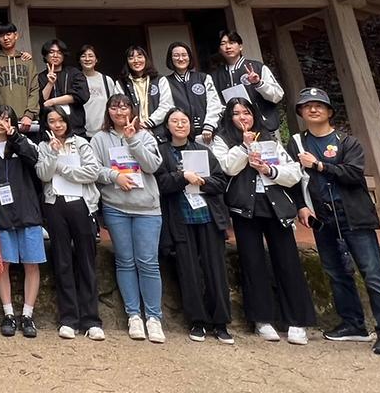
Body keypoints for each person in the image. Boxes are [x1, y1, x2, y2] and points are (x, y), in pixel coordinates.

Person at [288, 87, 380, 357]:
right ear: (300, 112)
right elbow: (293, 177)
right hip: (321, 216)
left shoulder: (346, 142)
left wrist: (319, 165)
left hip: (353, 214)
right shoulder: (297, 143)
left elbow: (353, 173)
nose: (313, 109)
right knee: (335, 271)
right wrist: (301, 206)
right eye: (307, 106)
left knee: (372, 272)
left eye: (318, 105)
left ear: (329, 111)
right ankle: (353, 324)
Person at [213, 97, 315, 344]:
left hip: (275, 205)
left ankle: (297, 320)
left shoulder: (269, 138)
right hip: (244, 207)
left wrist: (269, 170)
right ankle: (262, 319)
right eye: (236, 113)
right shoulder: (222, 139)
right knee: (252, 262)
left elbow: (293, 173)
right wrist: (244, 147)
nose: (242, 117)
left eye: (246, 112)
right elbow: (226, 167)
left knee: (287, 261)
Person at [90, 94, 166, 343]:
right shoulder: (100, 138)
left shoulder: (145, 135)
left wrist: (132, 140)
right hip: (116, 207)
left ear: (132, 110)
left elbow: (153, 166)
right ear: (108, 111)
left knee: (148, 262)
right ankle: (133, 315)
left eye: (124, 107)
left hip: (147, 207)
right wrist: (115, 176)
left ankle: (153, 317)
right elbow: (94, 169)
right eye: (114, 107)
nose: (120, 112)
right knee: (125, 261)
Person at [155, 108, 233, 344]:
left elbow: (220, 182)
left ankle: (221, 322)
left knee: (215, 270)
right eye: (175, 121)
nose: (180, 125)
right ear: (167, 126)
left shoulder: (203, 150)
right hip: (180, 218)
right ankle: (197, 321)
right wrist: (182, 177)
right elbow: (160, 184)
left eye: (184, 121)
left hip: (208, 216)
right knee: (188, 271)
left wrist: (202, 181)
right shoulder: (162, 152)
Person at [34, 108, 104, 340]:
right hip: (55, 205)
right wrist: (53, 155)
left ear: (67, 122)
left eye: (60, 120)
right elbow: (43, 175)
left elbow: (92, 172)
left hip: (82, 204)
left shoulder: (81, 143)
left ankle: (91, 320)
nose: (57, 125)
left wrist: (62, 169)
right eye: (52, 121)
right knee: (62, 261)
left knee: (86, 260)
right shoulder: (44, 146)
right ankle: (68, 319)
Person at [0, 105, 45, 337]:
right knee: (4, 264)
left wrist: (16, 137)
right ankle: (8, 312)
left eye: (8, 119)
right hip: (1, 212)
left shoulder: (22, 142)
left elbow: (35, 160)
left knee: (32, 263)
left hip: (27, 209)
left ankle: (28, 314)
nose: (3, 122)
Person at [210, 30, 284, 136]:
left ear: (240, 46)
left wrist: (259, 83)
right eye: (223, 44)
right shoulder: (215, 76)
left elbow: (277, 96)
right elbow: (215, 105)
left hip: (263, 129)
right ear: (219, 50)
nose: (228, 47)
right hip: (233, 134)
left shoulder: (257, 67)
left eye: (232, 42)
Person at [0, 22, 39, 133]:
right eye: (1, 35)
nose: (5, 38)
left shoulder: (27, 61)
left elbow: (34, 90)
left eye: (8, 34)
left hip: (25, 121)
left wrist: (29, 114)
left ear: (16, 35)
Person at [164, 42, 222, 144]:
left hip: (207, 133)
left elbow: (214, 103)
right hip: (180, 136)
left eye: (184, 55)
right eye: (176, 55)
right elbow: (166, 107)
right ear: (170, 59)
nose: (181, 59)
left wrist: (209, 125)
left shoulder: (203, 78)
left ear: (189, 57)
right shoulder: (165, 82)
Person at [38, 38, 90, 139]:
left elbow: (82, 95)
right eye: (51, 52)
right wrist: (50, 83)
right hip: (49, 131)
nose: (55, 55)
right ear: (45, 55)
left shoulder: (74, 73)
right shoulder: (40, 77)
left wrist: (53, 101)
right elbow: (40, 101)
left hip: (75, 128)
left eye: (59, 52)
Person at [119, 46, 173, 139]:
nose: (136, 60)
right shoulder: (121, 83)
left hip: (159, 133)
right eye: (131, 58)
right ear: (127, 62)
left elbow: (167, 105)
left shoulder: (160, 80)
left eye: (139, 56)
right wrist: (136, 124)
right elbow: (120, 108)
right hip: (133, 132)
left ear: (146, 59)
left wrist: (149, 123)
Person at [78, 45, 119, 140]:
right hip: (82, 134)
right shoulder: (75, 81)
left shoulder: (106, 80)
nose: (87, 59)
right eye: (83, 56)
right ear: (79, 60)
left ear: (96, 59)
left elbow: (114, 106)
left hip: (105, 132)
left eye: (91, 56)